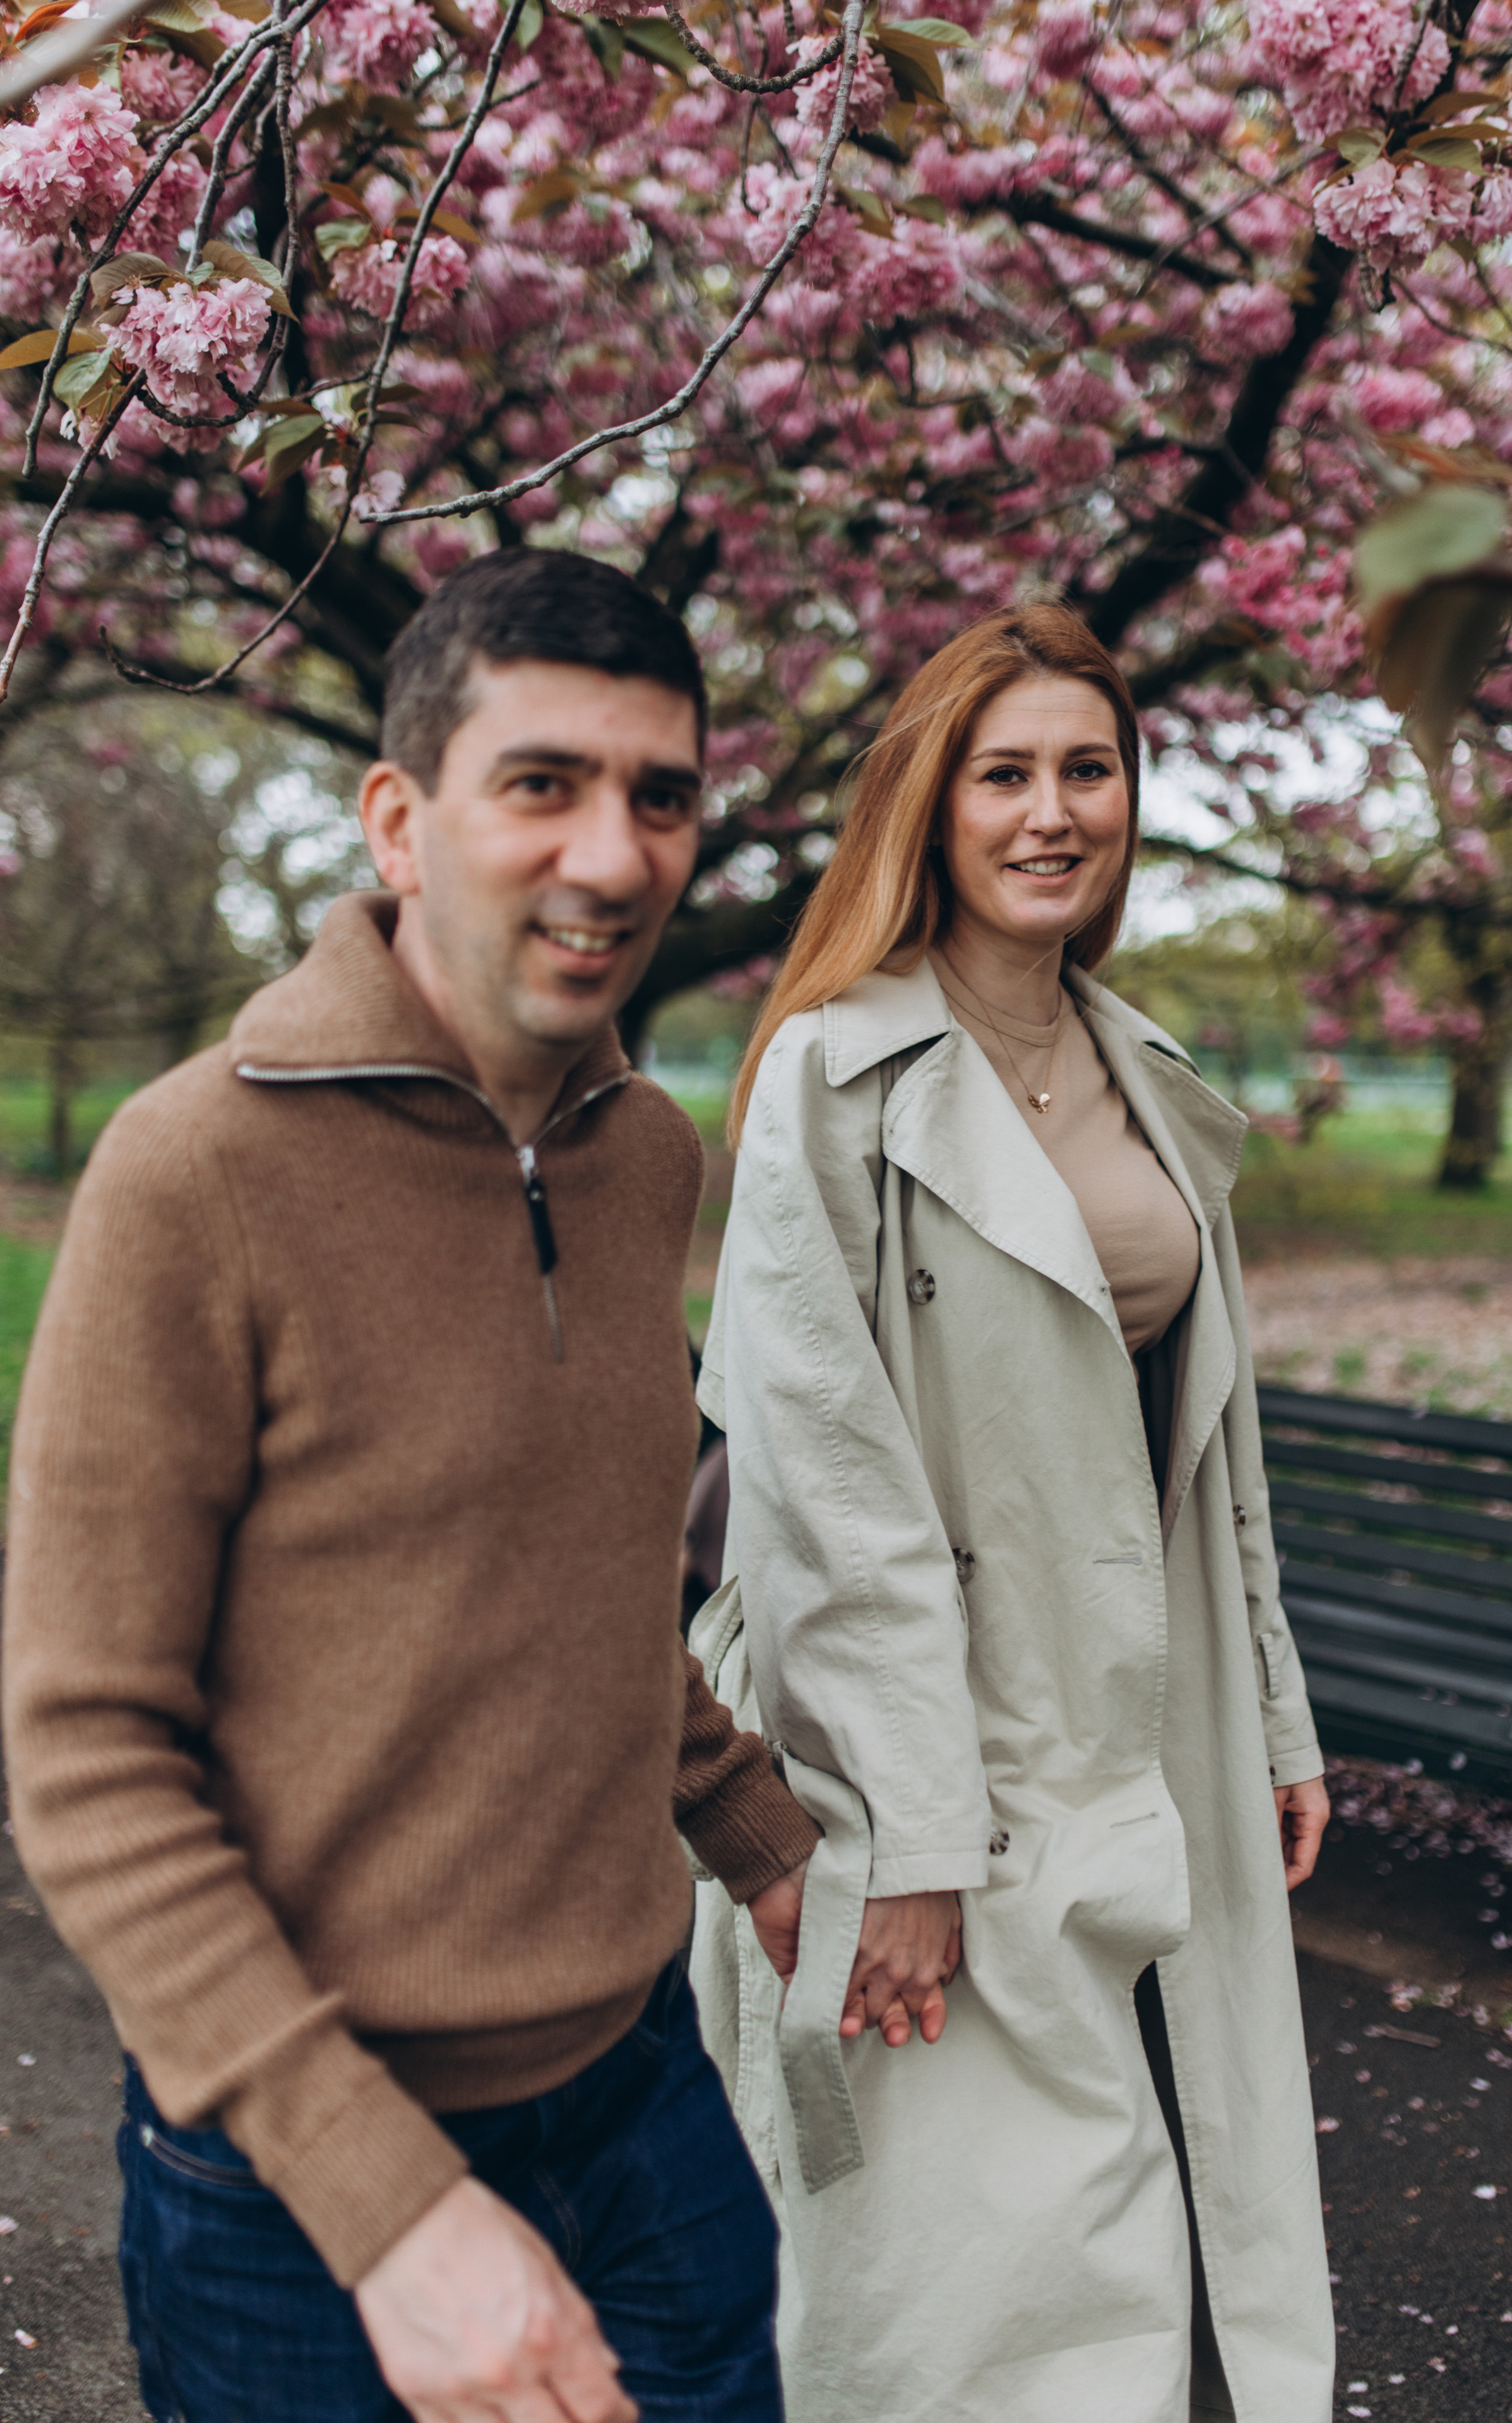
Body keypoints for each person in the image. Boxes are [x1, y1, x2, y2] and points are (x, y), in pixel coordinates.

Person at [2, 549, 823, 2423]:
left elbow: (592, 1576)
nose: (613, 857)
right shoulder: (191, 1174)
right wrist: (388, 2212)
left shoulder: (644, 1158)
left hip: (642, 2090)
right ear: (400, 817)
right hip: (299, 2173)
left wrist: (750, 1832)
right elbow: (84, 1755)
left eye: (661, 796)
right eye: (542, 785)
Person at [688, 603, 1335, 2422]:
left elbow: (1212, 1449)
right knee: (955, 2280)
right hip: (913, 1738)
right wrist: (910, 1839)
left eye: (1090, 768)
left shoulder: (1148, 1079)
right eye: (1007, 774)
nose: (1055, 811)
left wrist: (1268, 1714)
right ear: (930, 807)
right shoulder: (836, 1073)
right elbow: (829, 1491)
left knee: (1115, 2236)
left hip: (1133, 1719)